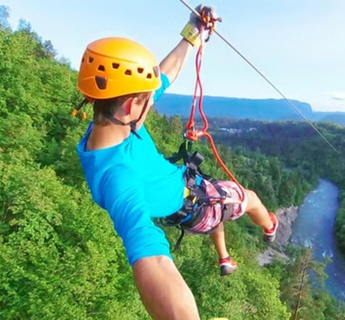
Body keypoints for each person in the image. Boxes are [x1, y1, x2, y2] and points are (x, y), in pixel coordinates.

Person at [75, 6, 278, 320]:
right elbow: (151, 259)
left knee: (219, 202)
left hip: (189, 190)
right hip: (195, 208)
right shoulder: (117, 178)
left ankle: (225, 254)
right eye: (148, 99)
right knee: (248, 197)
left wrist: (193, 31)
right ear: (130, 105)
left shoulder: (109, 126)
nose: (153, 101)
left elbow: (164, 73)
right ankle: (270, 225)